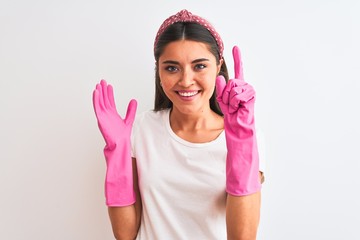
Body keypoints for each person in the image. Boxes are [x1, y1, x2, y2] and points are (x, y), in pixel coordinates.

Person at [93, 9, 265, 240]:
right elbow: (125, 234)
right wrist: (117, 153)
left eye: (200, 66)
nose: (185, 81)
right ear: (159, 70)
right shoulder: (140, 129)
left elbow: (242, 237)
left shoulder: (245, 135)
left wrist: (241, 141)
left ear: (218, 65)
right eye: (172, 67)